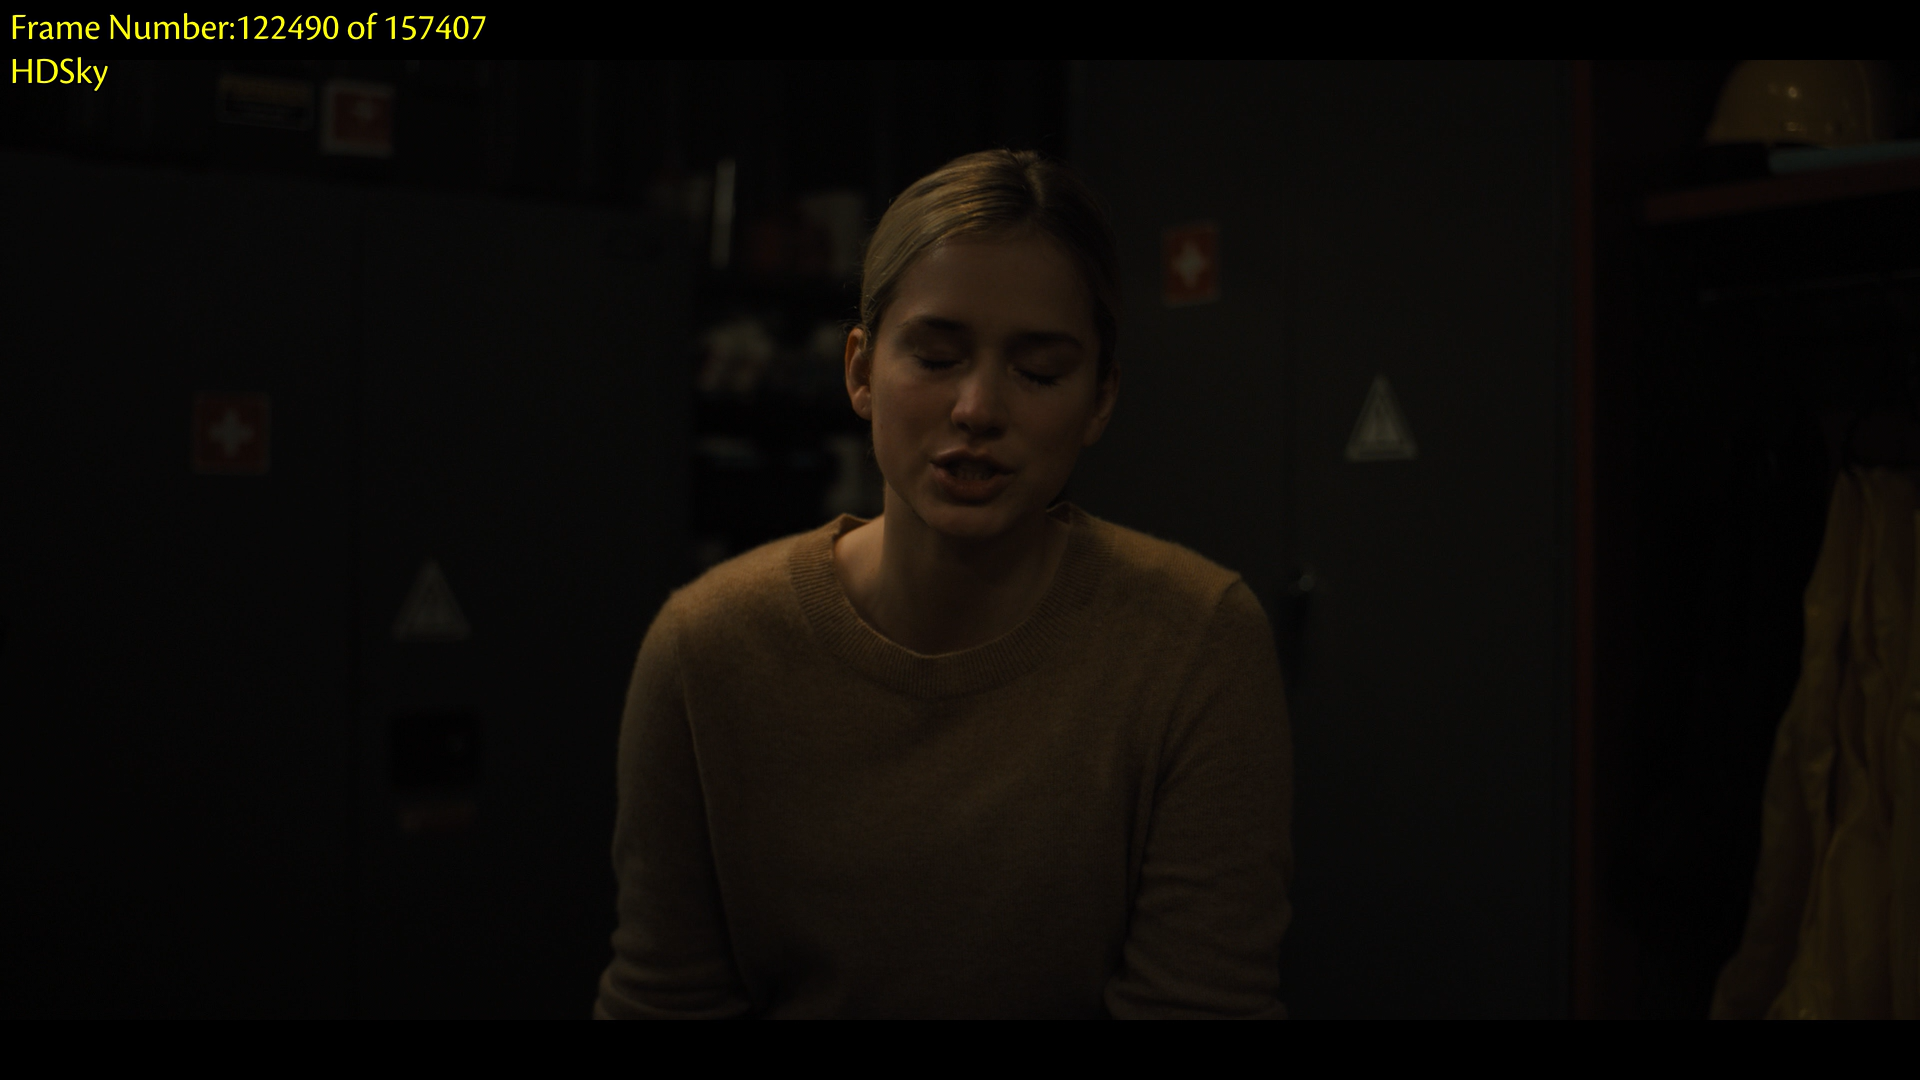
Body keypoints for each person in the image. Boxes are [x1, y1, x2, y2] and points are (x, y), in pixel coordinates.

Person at [594, 149, 1293, 1019]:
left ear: (1100, 399)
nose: (978, 408)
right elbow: (664, 999)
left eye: (1038, 372)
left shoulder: (1194, 642)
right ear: (859, 370)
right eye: (934, 358)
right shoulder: (708, 648)